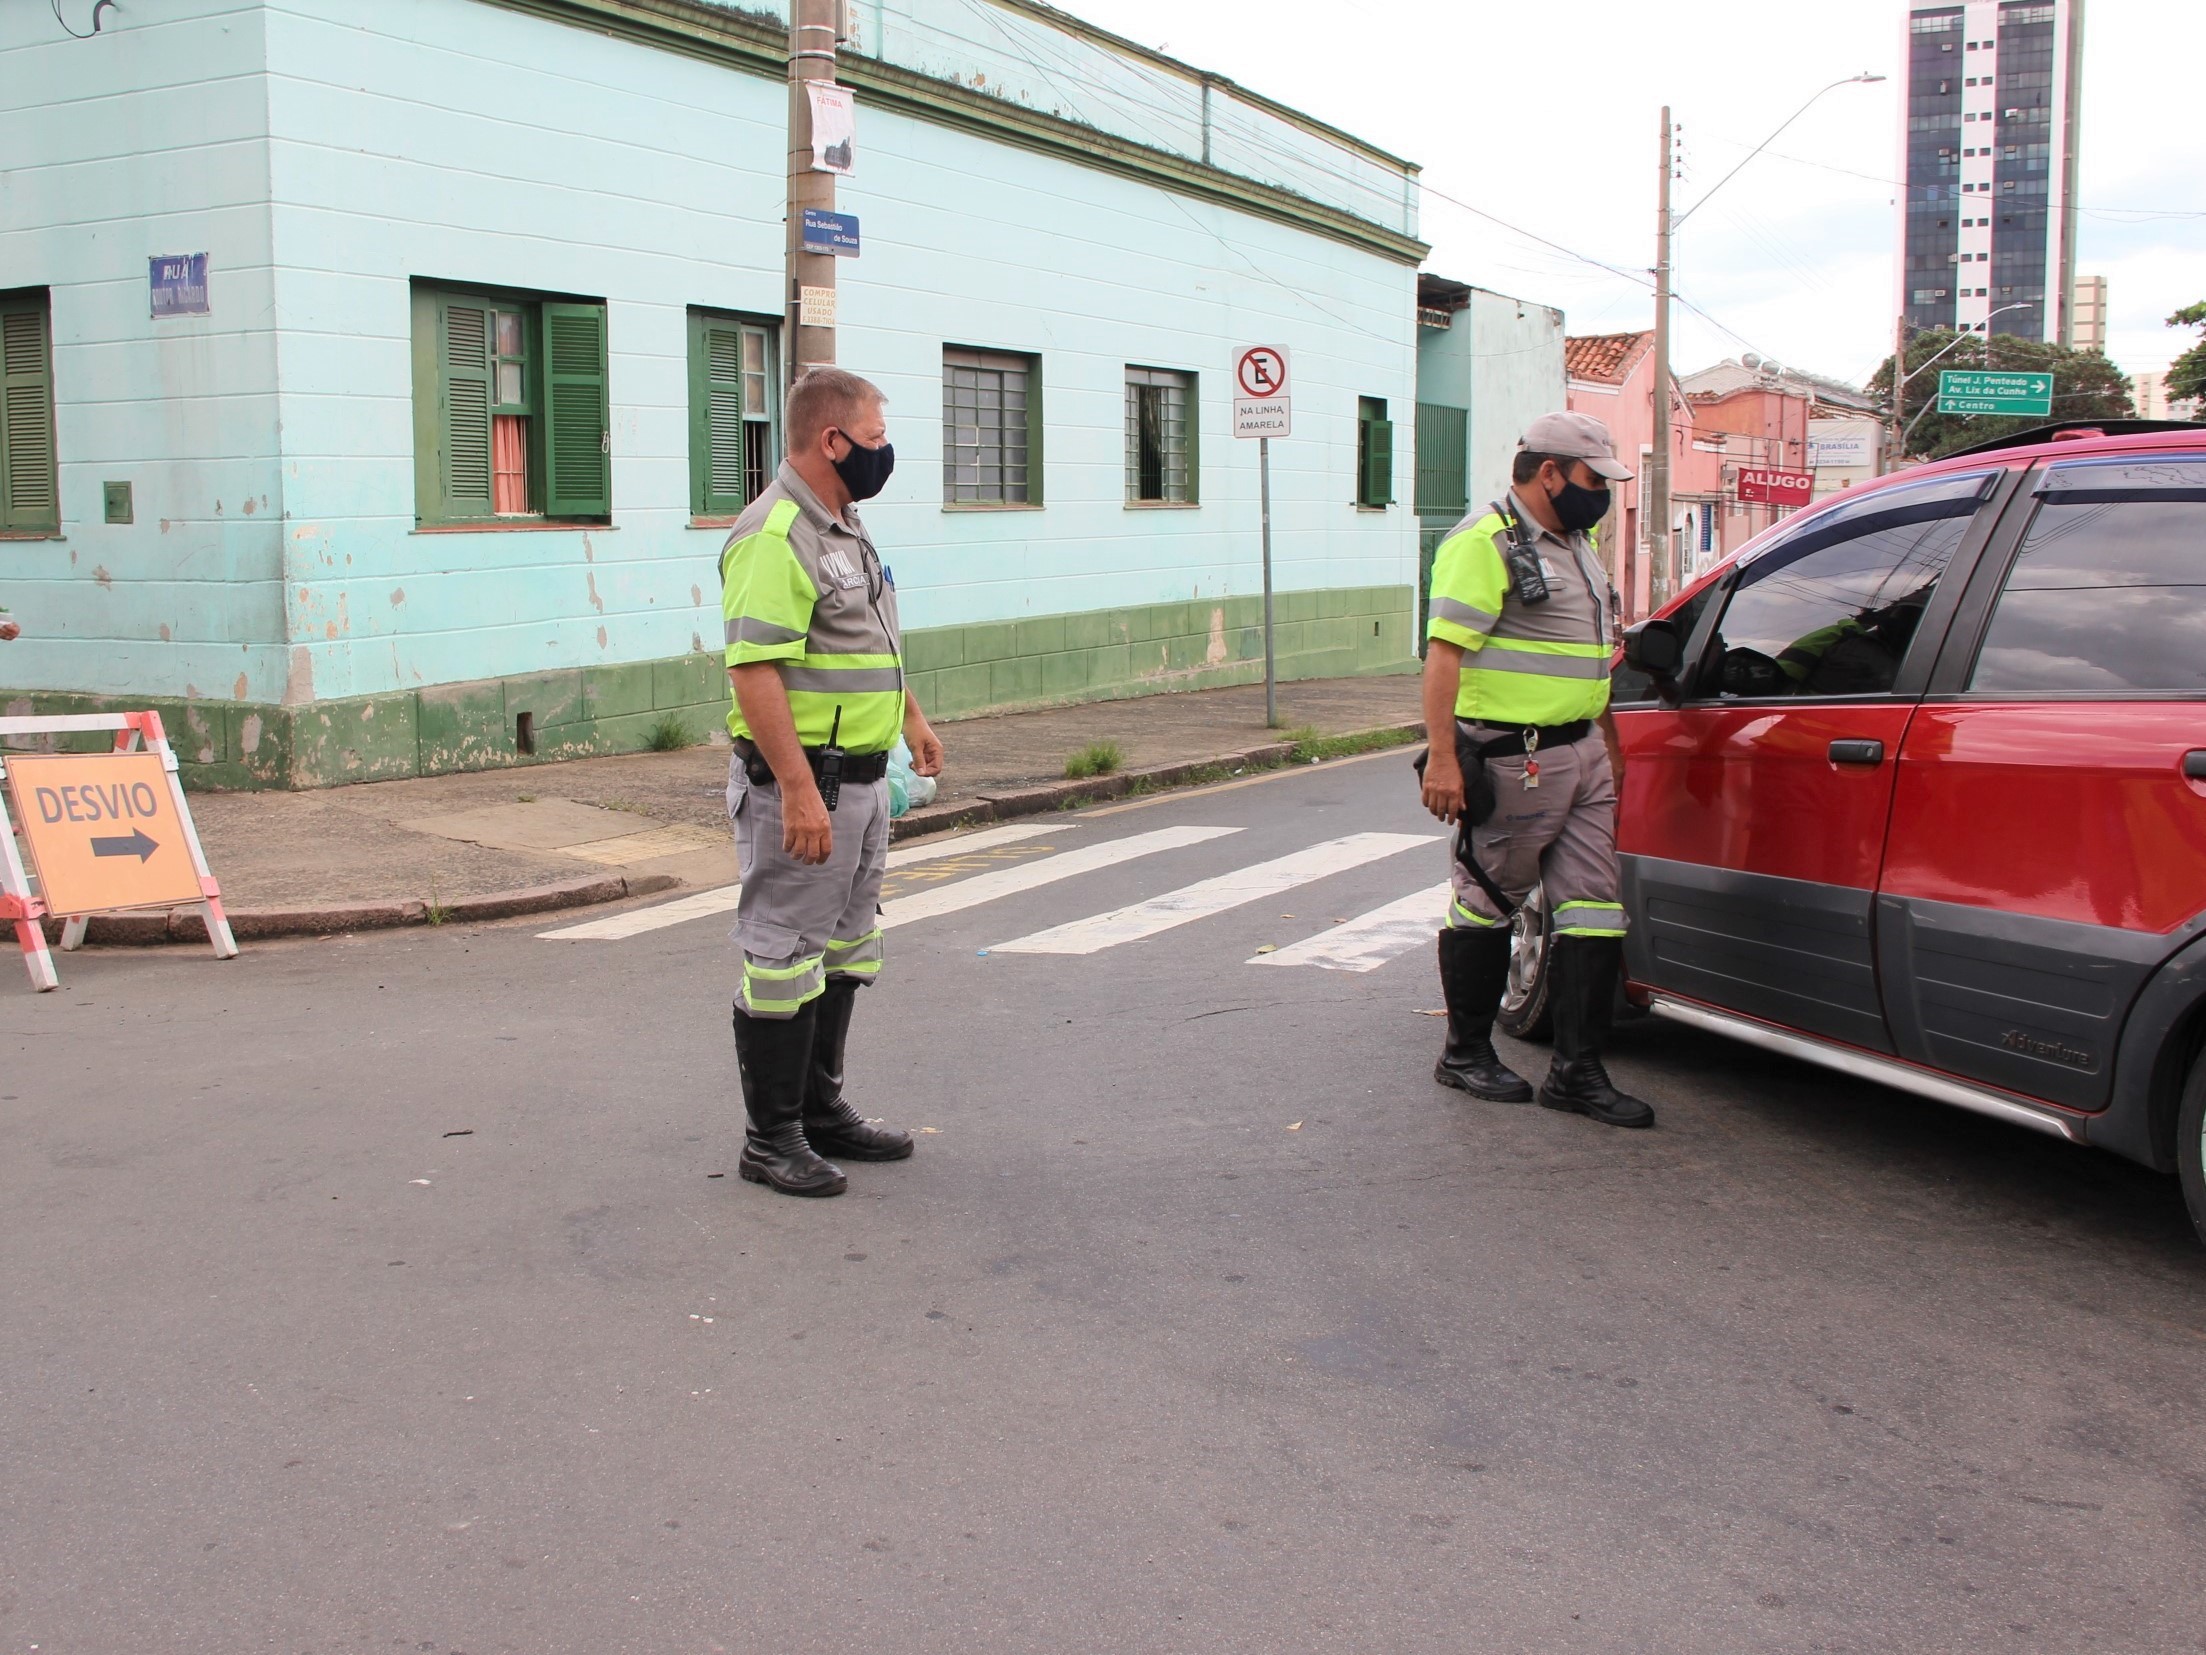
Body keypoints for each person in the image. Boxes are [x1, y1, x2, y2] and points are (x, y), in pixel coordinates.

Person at [719, 368, 944, 1197]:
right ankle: (769, 1137)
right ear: (832, 441)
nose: (886, 456)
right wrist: (799, 791)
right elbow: (755, 671)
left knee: (846, 949)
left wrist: (911, 718)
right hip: (803, 789)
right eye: (877, 441)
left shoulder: (845, 525)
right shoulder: (776, 533)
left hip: (863, 780)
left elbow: (867, 638)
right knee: (783, 956)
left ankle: (819, 1113)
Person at [1418, 411, 1653, 1130]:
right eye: (1592, 480)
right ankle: (1464, 1052)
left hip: (1581, 752)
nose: (1600, 495)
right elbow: (1444, 656)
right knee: (1488, 899)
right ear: (1549, 472)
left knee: (1592, 909)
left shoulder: (1577, 546)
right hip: (1513, 755)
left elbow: (1591, 656)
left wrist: (1606, 741)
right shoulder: (1482, 542)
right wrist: (1446, 758)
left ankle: (1577, 1071)